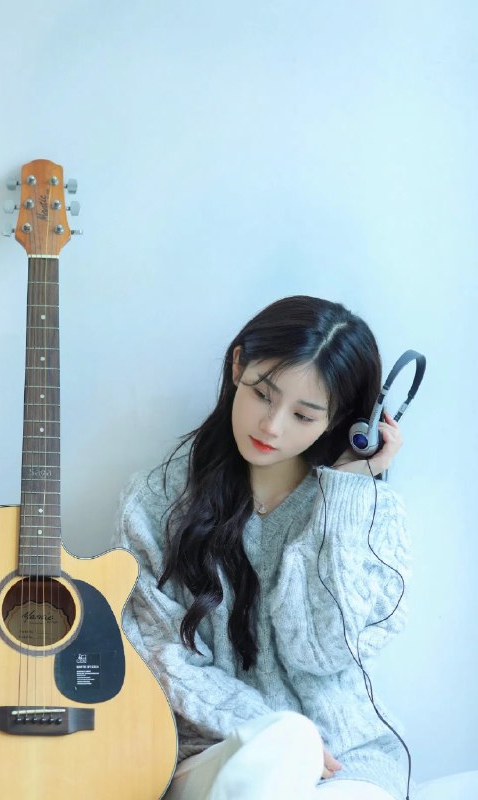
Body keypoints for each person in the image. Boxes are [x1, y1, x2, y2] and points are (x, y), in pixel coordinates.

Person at [117, 295, 413, 800]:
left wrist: (344, 499)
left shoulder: (369, 514)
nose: (271, 426)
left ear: (340, 421)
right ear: (238, 366)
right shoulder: (154, 502)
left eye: (304, 415)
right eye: (262, 394)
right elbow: (161, 654)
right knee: (286, 743)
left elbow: (324, 652)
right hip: (215, 751)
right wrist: (275, 732)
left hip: (346, 755)